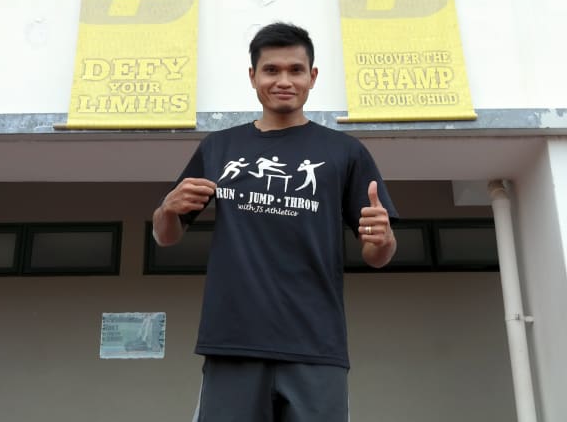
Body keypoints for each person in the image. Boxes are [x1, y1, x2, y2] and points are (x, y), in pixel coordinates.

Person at [152, 22, 398, 421]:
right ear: (253, 77)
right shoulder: (219, 148)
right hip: (232, 342)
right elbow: (166, 236)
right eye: (271, 70)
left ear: (312, 77)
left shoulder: (345, 152)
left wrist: (383, 238)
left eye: (295, 70)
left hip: (316, 345)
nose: (284, 80)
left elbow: (377, 255)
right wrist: (166, 209)